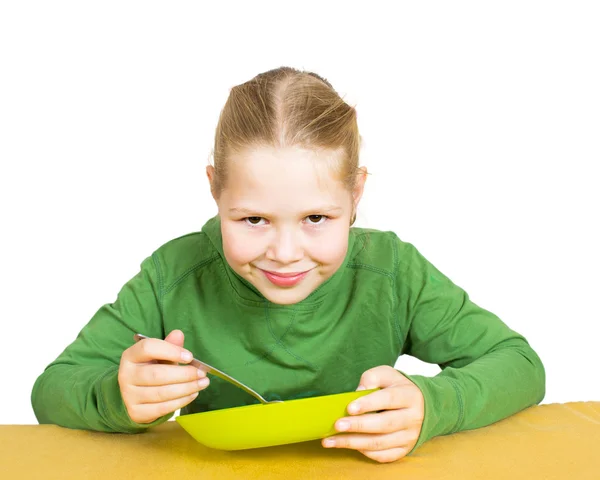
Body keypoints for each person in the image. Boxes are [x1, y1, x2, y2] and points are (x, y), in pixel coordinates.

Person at [31, 66, 545, 463]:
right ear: (214, 188)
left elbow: (520, 365)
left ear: (357, 192)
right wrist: (117, 396)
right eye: (253, 219)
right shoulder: (174, 275)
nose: (284, 252)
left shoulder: (392, 271)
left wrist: (433, 405)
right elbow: (52, 389)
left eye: (317, 217)